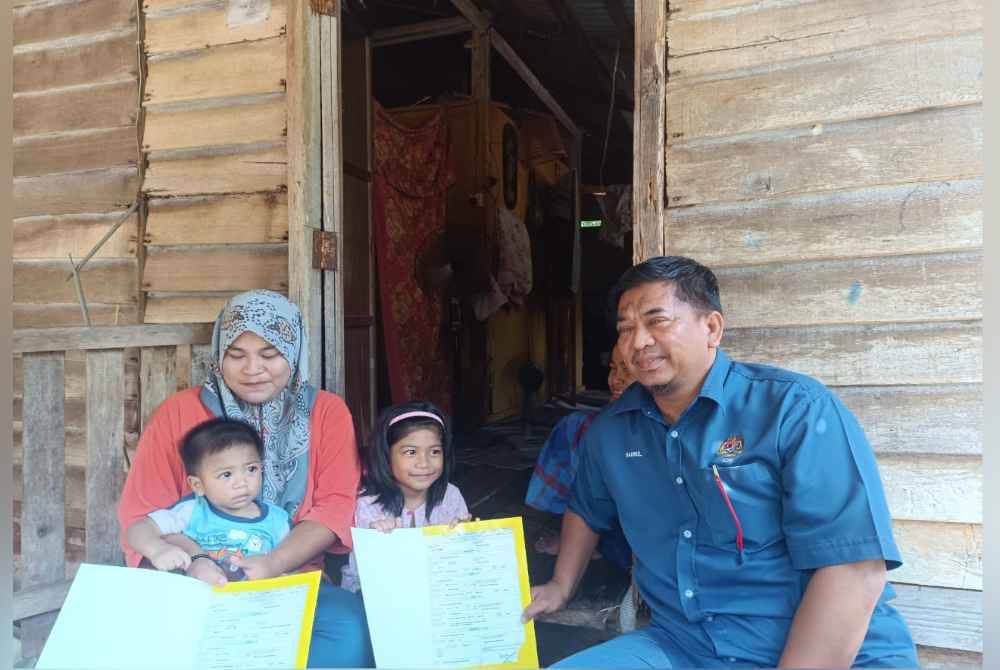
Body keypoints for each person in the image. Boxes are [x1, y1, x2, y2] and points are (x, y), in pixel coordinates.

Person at [523, 256, 918, 668]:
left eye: (657, 321)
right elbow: (586, 508)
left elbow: (854, 570)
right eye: (625, 329)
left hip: (826, 655)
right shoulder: (611, 433)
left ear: (711, 328)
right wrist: (560, 586)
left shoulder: (794, 410)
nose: (638, 342)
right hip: (685, 649)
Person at [118, 290, 372, 668]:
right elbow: (143, 514)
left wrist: (272, 562)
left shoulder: (328, 413)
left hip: (289, 575)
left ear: (294, 350)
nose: (253, 369)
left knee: (350, 630)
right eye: (236, 354)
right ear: (219, 353)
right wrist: (198, 560)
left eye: (270, 354)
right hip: (193, 579)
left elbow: (336, 507)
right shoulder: (178, 413)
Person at [124, 418, 290, 581]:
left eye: (251, 469)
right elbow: (137, 529)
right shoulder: (192, 510)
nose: (242, 482)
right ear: (198, 485)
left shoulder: (277, 520)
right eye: (226, 474)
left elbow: (285, 566)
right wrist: (157, 549)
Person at [525, 340, 636, 568]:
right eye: (613, 368)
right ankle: (549, 524)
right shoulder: (601, 428)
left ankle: (598, 547)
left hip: (641, 543)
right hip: (599, 516)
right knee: (574, 426)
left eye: (628, 369)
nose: (615, 380)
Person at [340, 401, 470, 592]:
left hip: (436, 590)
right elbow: (367, 573)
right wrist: (378, 541)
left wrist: (463, 536)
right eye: (411, 452)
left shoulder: (450, 496)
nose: (424, 463)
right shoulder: (367, 505)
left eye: (434, 451)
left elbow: (459, 564)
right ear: (386, 456)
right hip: (375, 593)